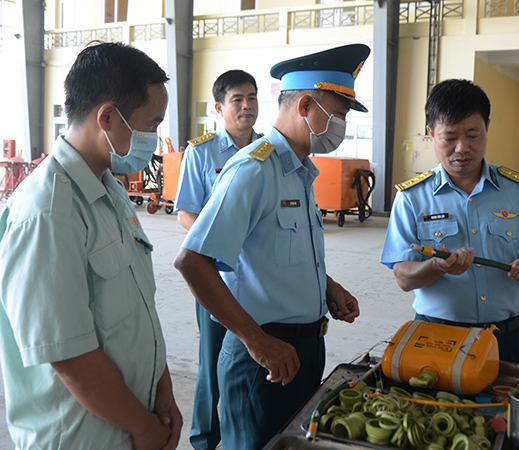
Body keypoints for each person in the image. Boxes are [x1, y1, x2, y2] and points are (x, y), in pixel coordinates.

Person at [174, 43, 369, 450]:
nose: (341, 124)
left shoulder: (298, 172)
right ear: (304, 106)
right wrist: (256, 342)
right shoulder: (253, 170)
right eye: (338, 113)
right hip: (262, 360)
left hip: (303, 350)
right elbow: (192, 260)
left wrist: (328, 286)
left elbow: (276, 251)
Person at [0, 42, 182, 449]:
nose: (154, 137)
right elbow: (69, 356)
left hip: (131, 423)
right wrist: (143, 426)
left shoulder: (109, 191)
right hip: (82, 438)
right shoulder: (48, 212)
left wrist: (162, 391)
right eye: (151, 124)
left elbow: (139, 310)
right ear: (107, 117)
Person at [380, 78, 519, 366]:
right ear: (431, 134)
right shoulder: (412, 198)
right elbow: (403, 277)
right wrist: (437, 266)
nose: (462, 148)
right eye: (450, 137)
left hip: (508, 339)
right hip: (437, 338)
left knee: (506, 411)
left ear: (487, 128)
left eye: (473, 134)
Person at [174, 69, 261, 450]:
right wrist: (222, 244)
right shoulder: (201, 152)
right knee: (211, 365)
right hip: (217, 278)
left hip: (261, 279)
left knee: (254, 354)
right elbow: (186, 213)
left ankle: (248, 431)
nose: (246, 106)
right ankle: (205, 439)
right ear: (219, 107)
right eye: (238, 99)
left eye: (252, 98)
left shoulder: (267, 150)